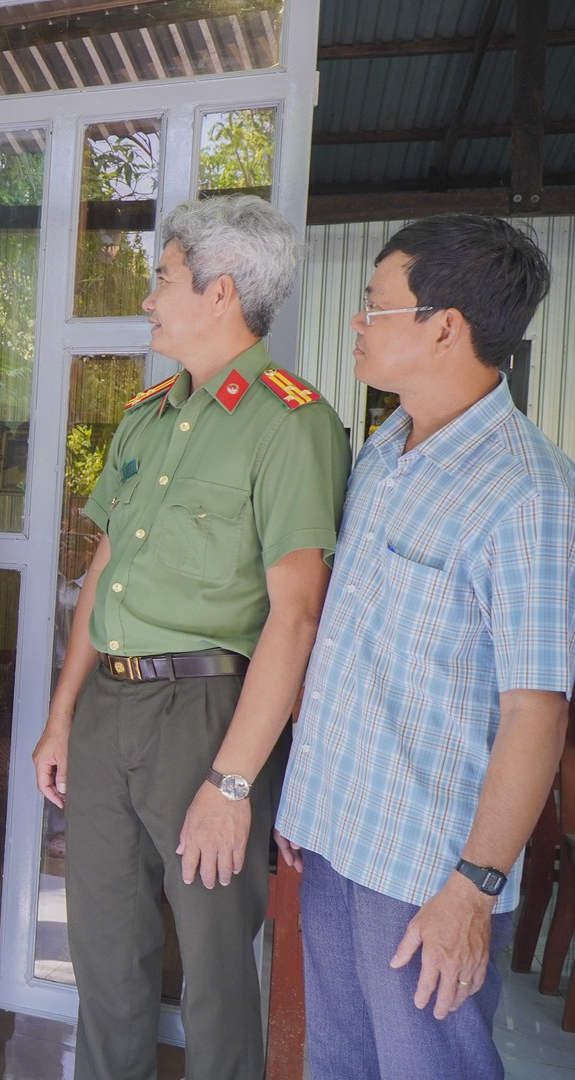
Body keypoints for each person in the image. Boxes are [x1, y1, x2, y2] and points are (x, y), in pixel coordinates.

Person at [30, 195, 351, 1079]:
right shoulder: (147, 416)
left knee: (213, 975)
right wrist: (63, 716)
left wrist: (234, 780)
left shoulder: (294, 426)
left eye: (163, 278)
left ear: (220, 292)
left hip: (208, 715)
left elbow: (297, 617)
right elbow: (103, 571)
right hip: (109, 709)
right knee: (102, 955)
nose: (148, 298)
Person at [275, 214, 574, 1080]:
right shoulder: (384, 450)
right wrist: (306, 797)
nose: (358, 326)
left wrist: (473, 890)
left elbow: (535, 711)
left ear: (445, 326)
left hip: (424, 867)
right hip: (336, 835)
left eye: (375, 308)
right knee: (338, 1063)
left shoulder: (527, 493)